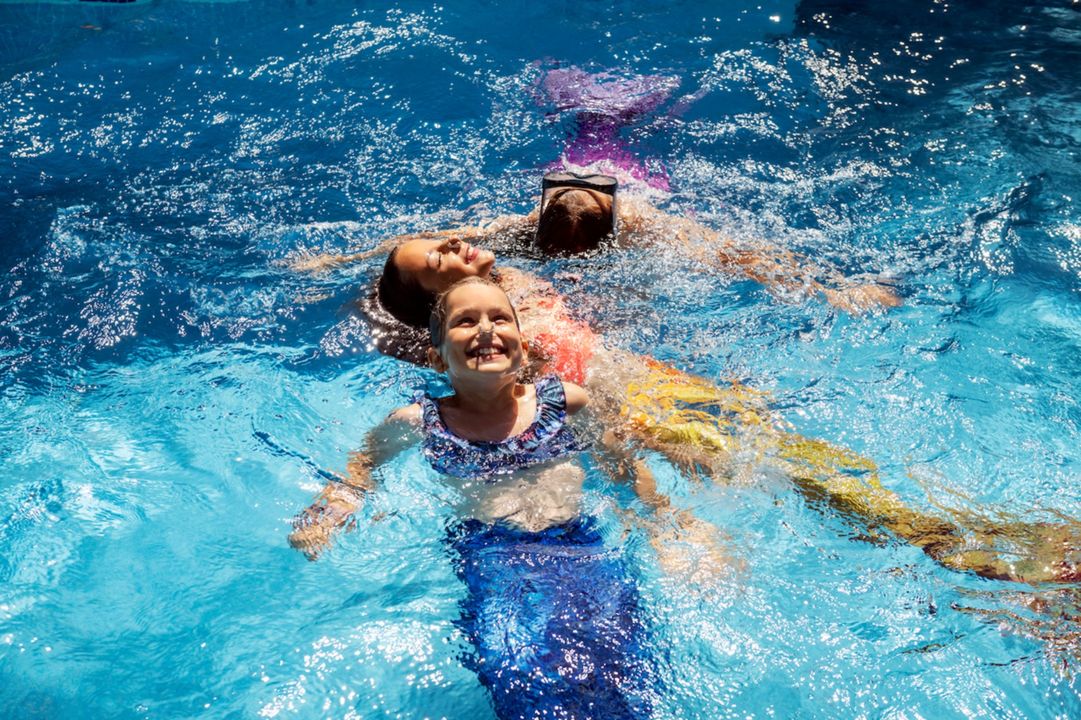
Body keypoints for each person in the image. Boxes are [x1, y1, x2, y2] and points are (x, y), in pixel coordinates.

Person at [294, 237, 1078, 585]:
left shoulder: (506, 290)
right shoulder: (494, 342)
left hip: (663, 389)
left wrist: (335, 261)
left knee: (814, 465)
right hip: (649, 410)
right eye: (442, 260)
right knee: (809, 475)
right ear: (442, 319)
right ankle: (983, 559)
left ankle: (987, 544)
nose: (463, 244)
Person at [292, 277, 681, 719]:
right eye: (465, 321)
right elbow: (363, 465)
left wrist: (666, 523)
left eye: (499, 317)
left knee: (624, 665)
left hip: (582, 546)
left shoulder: (567, 403)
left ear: (524, 346)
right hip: (492, 555)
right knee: (516, 670)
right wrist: (332, 509)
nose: (484, 329)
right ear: (437, 358)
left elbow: (623, 467)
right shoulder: (421, 422)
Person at [293, 171, 903, 314]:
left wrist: (832, 287)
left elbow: (736, 255)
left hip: (634, 188)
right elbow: (739, 257)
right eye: (441, 254)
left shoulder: (642, 223)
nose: (453, 240)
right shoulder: (505, 242)